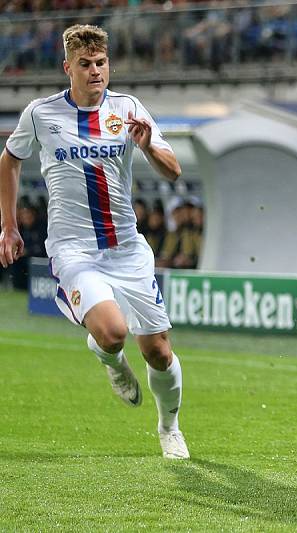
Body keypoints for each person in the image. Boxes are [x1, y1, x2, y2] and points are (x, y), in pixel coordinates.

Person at [0, 24, 189, 459]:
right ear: (69, 68)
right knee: (113, 332)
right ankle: (111, 361)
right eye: (85, 64)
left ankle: (169, 427)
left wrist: (146, 146)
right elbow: (9, 160)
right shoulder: (41, 114)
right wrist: (9, 226)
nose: (95, 71)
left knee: (159, 353)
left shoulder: (129, 108)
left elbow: (174, 170)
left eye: (100, 63)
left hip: (126, 248)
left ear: (109, 65)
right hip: (73, 249)